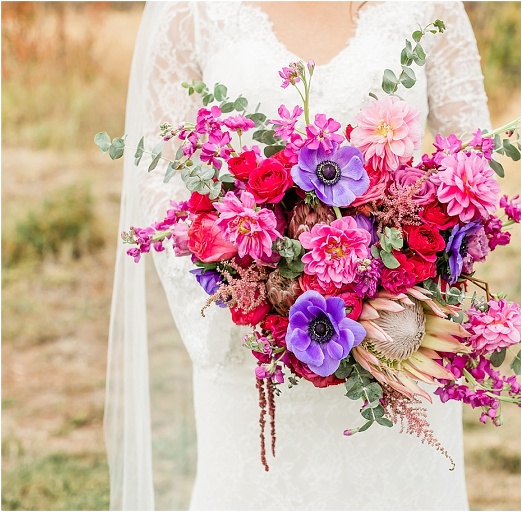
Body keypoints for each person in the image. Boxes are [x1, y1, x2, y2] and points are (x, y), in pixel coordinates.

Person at [106, 1, 491, 509]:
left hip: (397, 340)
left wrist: (401, 277)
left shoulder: (427, 8)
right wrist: (248, 287)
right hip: (252, 355)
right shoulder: (194, 13)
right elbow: (157, 169)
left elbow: (473, 160)